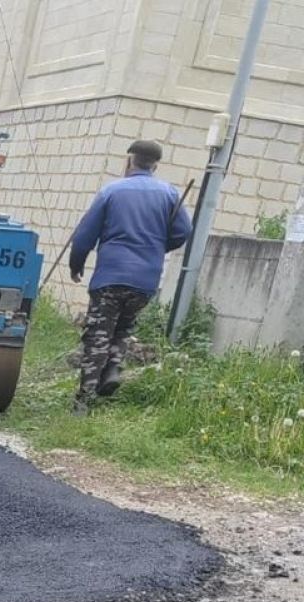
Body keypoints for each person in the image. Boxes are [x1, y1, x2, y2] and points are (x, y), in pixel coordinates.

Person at [68, 139, 192, 414]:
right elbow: (183, 231)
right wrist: (157, 248)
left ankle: (84, 399)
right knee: (124, 327)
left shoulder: (112, 190)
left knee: (98, 334)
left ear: (129, 161)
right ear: (155, 165)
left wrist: (76, 264)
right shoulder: (169, 194)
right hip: (145, 280)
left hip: (110, 277)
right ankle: (112, 369)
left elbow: (86, 234)